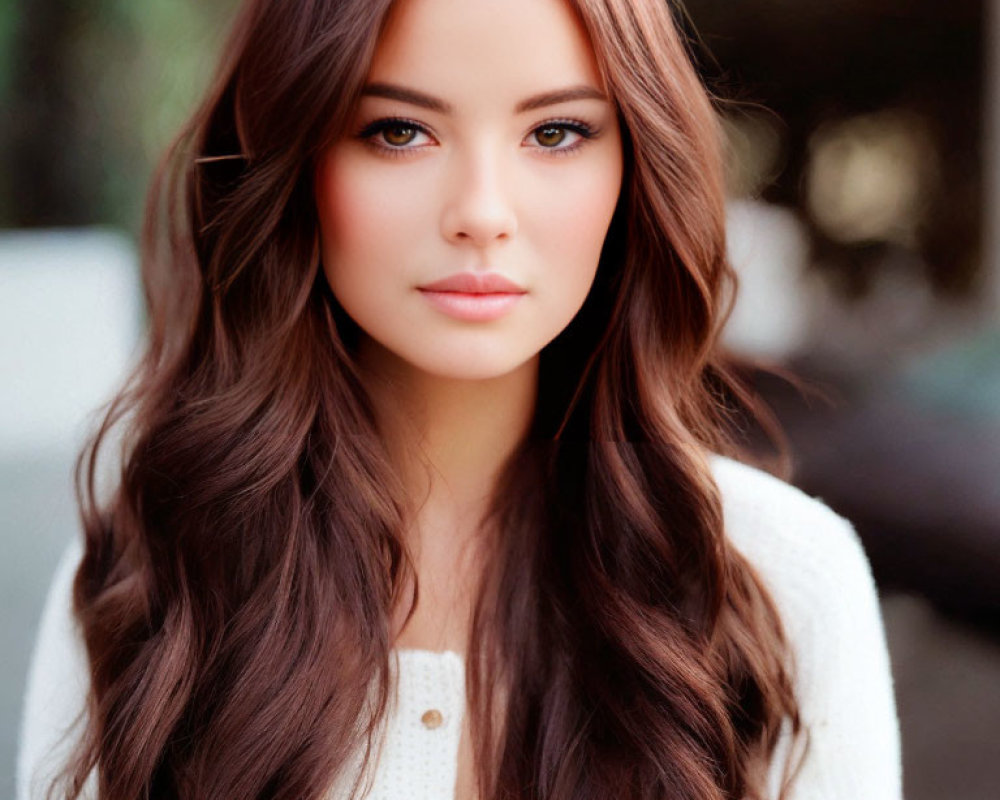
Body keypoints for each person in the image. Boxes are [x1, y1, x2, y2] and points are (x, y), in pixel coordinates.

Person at [17, 0, 902, 798]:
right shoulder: (146, 577)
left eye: (556, 133)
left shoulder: (781, 584)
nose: (481, 212)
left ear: (635, 165)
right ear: (294, 160)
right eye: (399, 131)